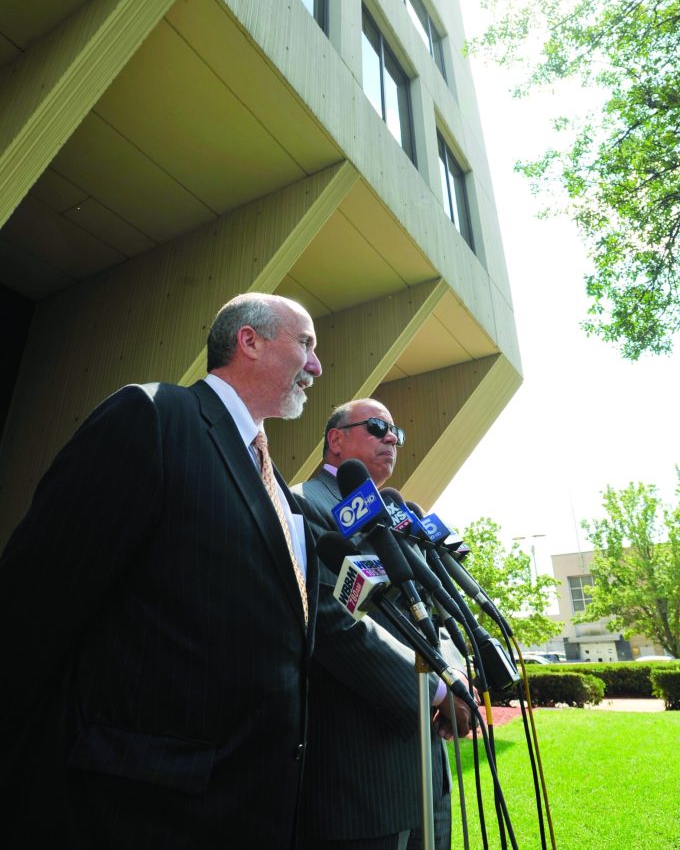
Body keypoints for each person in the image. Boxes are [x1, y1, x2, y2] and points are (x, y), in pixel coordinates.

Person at [0, 292, 322, 849]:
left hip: (251, 810)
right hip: (140, 815)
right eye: (307, 344)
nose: (316, 366)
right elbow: (31, 609)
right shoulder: (151, 416)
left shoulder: (279, 491)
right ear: (249, 340)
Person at [295, 397, 472, 850]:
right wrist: (436, 691)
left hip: (426, 780)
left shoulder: (391, 515)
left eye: (397, 432)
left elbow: (431, 610)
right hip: (364, 781)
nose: (392, 437)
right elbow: (335, 622)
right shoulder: (304, 505)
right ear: (335, 439)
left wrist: (456, 679)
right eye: (377, 427)